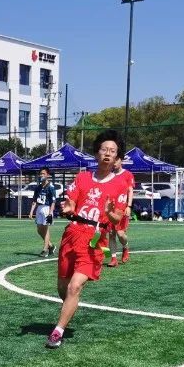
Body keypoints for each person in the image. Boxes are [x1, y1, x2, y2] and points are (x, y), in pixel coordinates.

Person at [46, 129, 129, 349]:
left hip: (95, 240)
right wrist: (68, 208)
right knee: (63, 286)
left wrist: (110, 212)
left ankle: (57, 331)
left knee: (75, 287)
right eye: (104, 149)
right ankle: (70, 306)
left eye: (112, 151)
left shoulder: (120, 185)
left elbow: (117, 217)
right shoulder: (82, 177)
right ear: (97, 153)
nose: (108, 153)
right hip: (72, 233)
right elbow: (71, 202)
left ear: (117, 157)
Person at [107, 159, 134, 266]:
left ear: (120, 161)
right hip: (111, 209)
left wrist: (129, 206)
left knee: (120, 234)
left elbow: (130, 190)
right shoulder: (109, 175)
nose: (113, 163)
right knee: (111, 234)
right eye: (112, 161)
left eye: (116, 160)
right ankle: (113, 259)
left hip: (122, 209)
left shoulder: (127, 174)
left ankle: (125, 247)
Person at [27, 167, 58, 257]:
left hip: (47, 208)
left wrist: (50, 213)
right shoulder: (38, 187)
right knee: (39, 230)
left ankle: (45, 249)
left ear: (47, 175)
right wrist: (31, 211)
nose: (41, 175)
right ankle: (51, 245)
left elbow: (53, 202)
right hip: (39, 208)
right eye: (40, 174)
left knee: (46, 228)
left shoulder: (51, 187)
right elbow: (34, 200)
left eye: (43, 174)